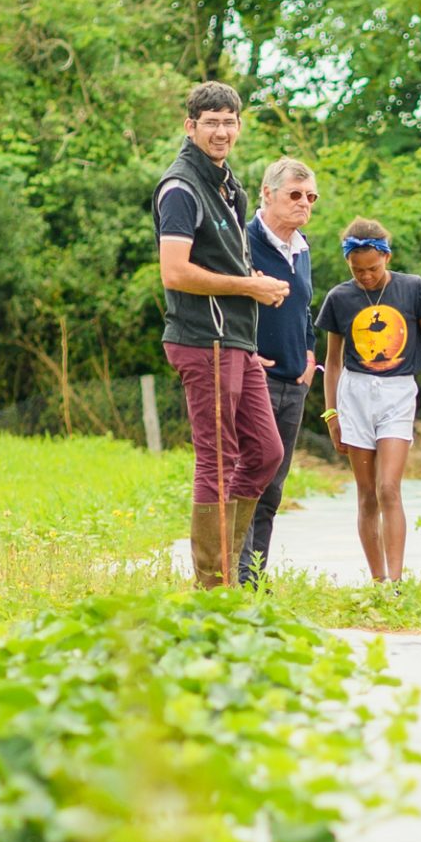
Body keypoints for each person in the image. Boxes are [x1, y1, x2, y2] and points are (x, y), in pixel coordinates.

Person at [153, 80, 289, 588]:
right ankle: (213, 586)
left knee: (266, 452)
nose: (221, 131)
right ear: (190, 126)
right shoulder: (181, 188)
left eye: (229, 122)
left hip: (236, 340)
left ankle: (227, 569)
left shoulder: (226, 184)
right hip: (202, 338)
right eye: (210, 122)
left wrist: (252, 287)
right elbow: (175, 272)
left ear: (239, 126)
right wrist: (248, 287)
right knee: (216, 458)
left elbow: (222, 260)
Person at [316, 218, 421, 582]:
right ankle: (377, 580)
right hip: (354, 395)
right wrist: (331, 414)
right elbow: (332, 362)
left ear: (387, 257)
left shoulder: (413, 288)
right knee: (367, 494)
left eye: (373, 268)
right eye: (357, 270)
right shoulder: (339, 298)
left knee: (389, 487)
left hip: (398, 392)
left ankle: (396, 580)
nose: (366, 276)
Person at [238, 157, 320, 586]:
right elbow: (224, 302)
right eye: (295, 194)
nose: (304, 203)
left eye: (311, 197)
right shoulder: (243, 241)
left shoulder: (302, 247)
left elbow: (304, 308)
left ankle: (254, 578)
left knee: (272, 488)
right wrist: (247, 352)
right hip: (254, 376)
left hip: (294, 381)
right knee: (249, 476)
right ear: (267, 194)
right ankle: (235, 577)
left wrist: (309, 354)